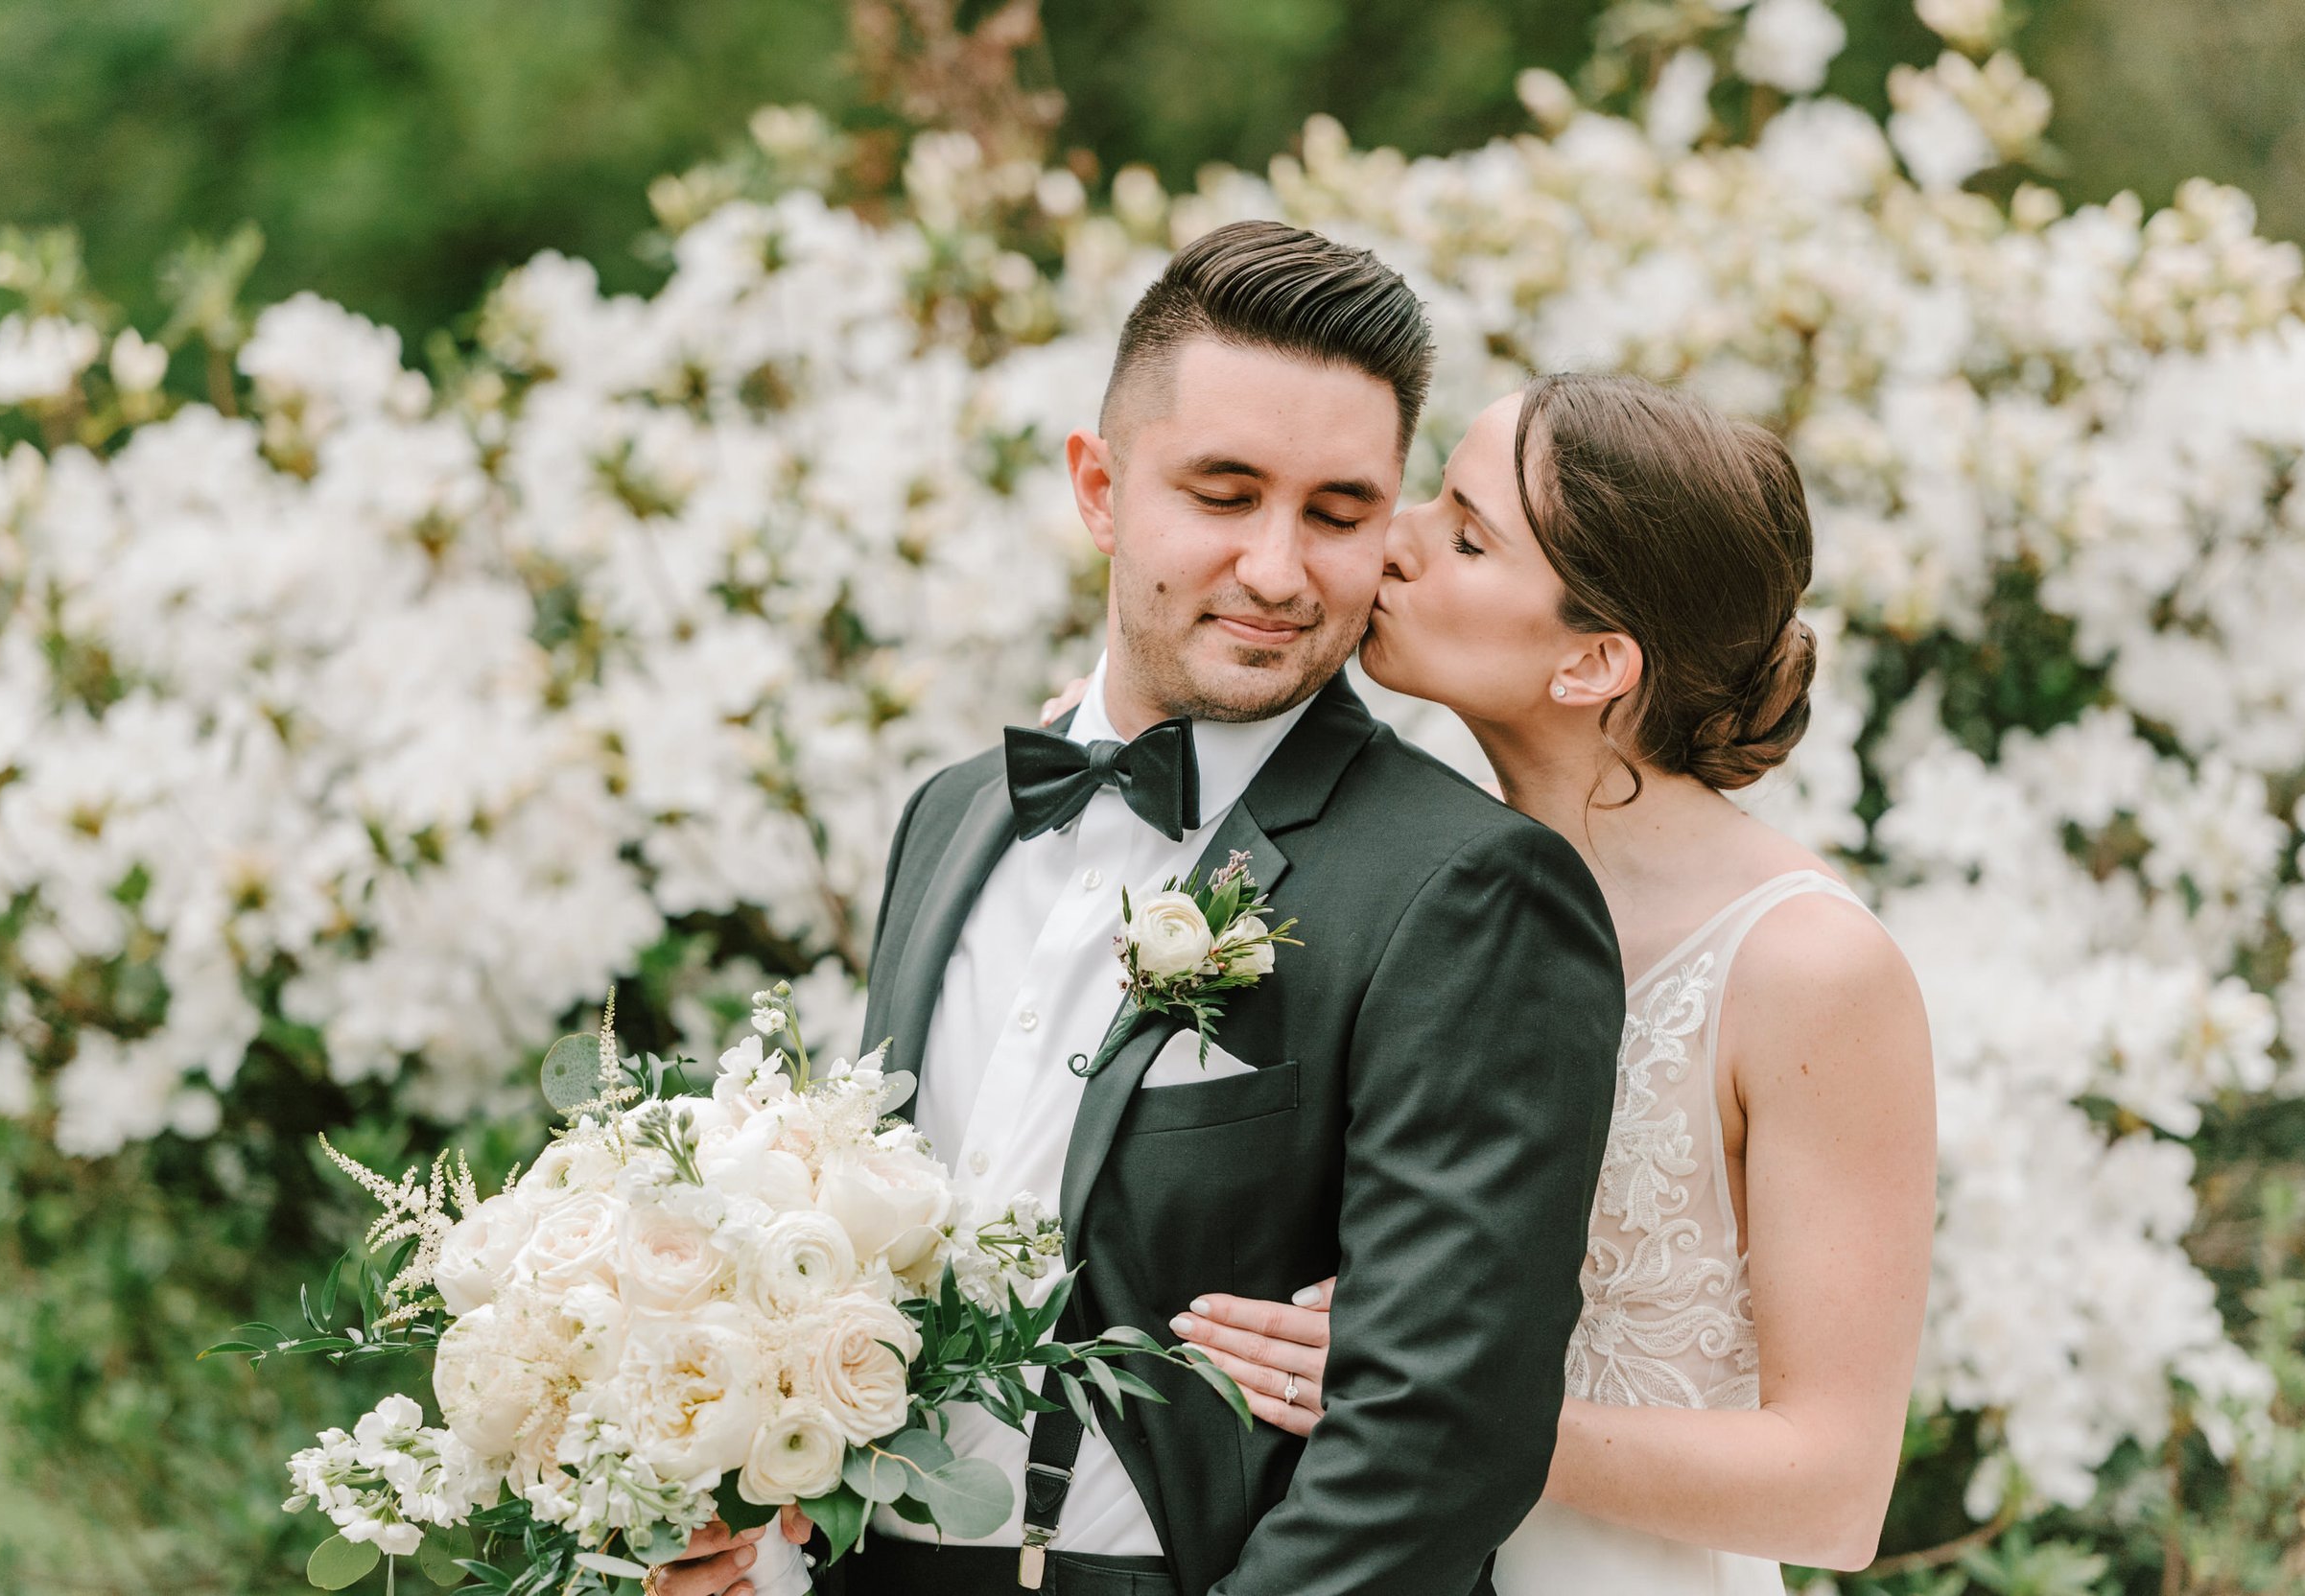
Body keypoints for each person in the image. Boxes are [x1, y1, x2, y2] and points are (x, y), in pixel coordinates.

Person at [655, 220, 1623, 1596]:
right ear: (1100, 489)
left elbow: (1435, 1445)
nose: (1282, 572)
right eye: (1224, 496)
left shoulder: (1468, 889)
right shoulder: (954, 815)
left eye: (1339, 513)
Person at [1163, 373, 1938, 1590]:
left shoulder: (1808, 968)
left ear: (1592, 663)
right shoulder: (1399, 875)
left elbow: (1831, 1489)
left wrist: (1429, 1406)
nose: (1392, 537)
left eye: (1465, 535)